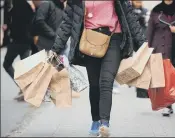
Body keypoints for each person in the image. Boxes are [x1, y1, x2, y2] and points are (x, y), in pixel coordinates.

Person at [51, 0, 146, 137]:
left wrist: (142, 43)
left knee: (106, 81)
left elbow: (130, 16)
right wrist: (56, 49)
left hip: (114, 38)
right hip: (90, 40)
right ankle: (95, 120)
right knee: (94, 85)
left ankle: (104, 123)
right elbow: (67, 23)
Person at [147, 0, 175, 116]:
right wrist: (147, 48)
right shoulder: (156, 10)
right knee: (162, 79)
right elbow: (150, 32)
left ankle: (169, 103)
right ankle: (166, 105)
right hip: (159, 50)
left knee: (170, 79)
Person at [3, 0, 34, 101]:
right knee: (24, 66)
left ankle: (25, 88)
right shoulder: (27, 6)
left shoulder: (14, 5)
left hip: (17, 41)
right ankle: (26, 89)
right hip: (26, 41)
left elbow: (11, 23)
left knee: (7, 64)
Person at [131, 0, 149, 98]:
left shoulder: (145, 11)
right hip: (131, 39)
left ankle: (141, 87)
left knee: (142, 63)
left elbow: (148, 23)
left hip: (142, 39)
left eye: (139, 1)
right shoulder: (129, 10)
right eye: (136, 1)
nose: (138, 3)